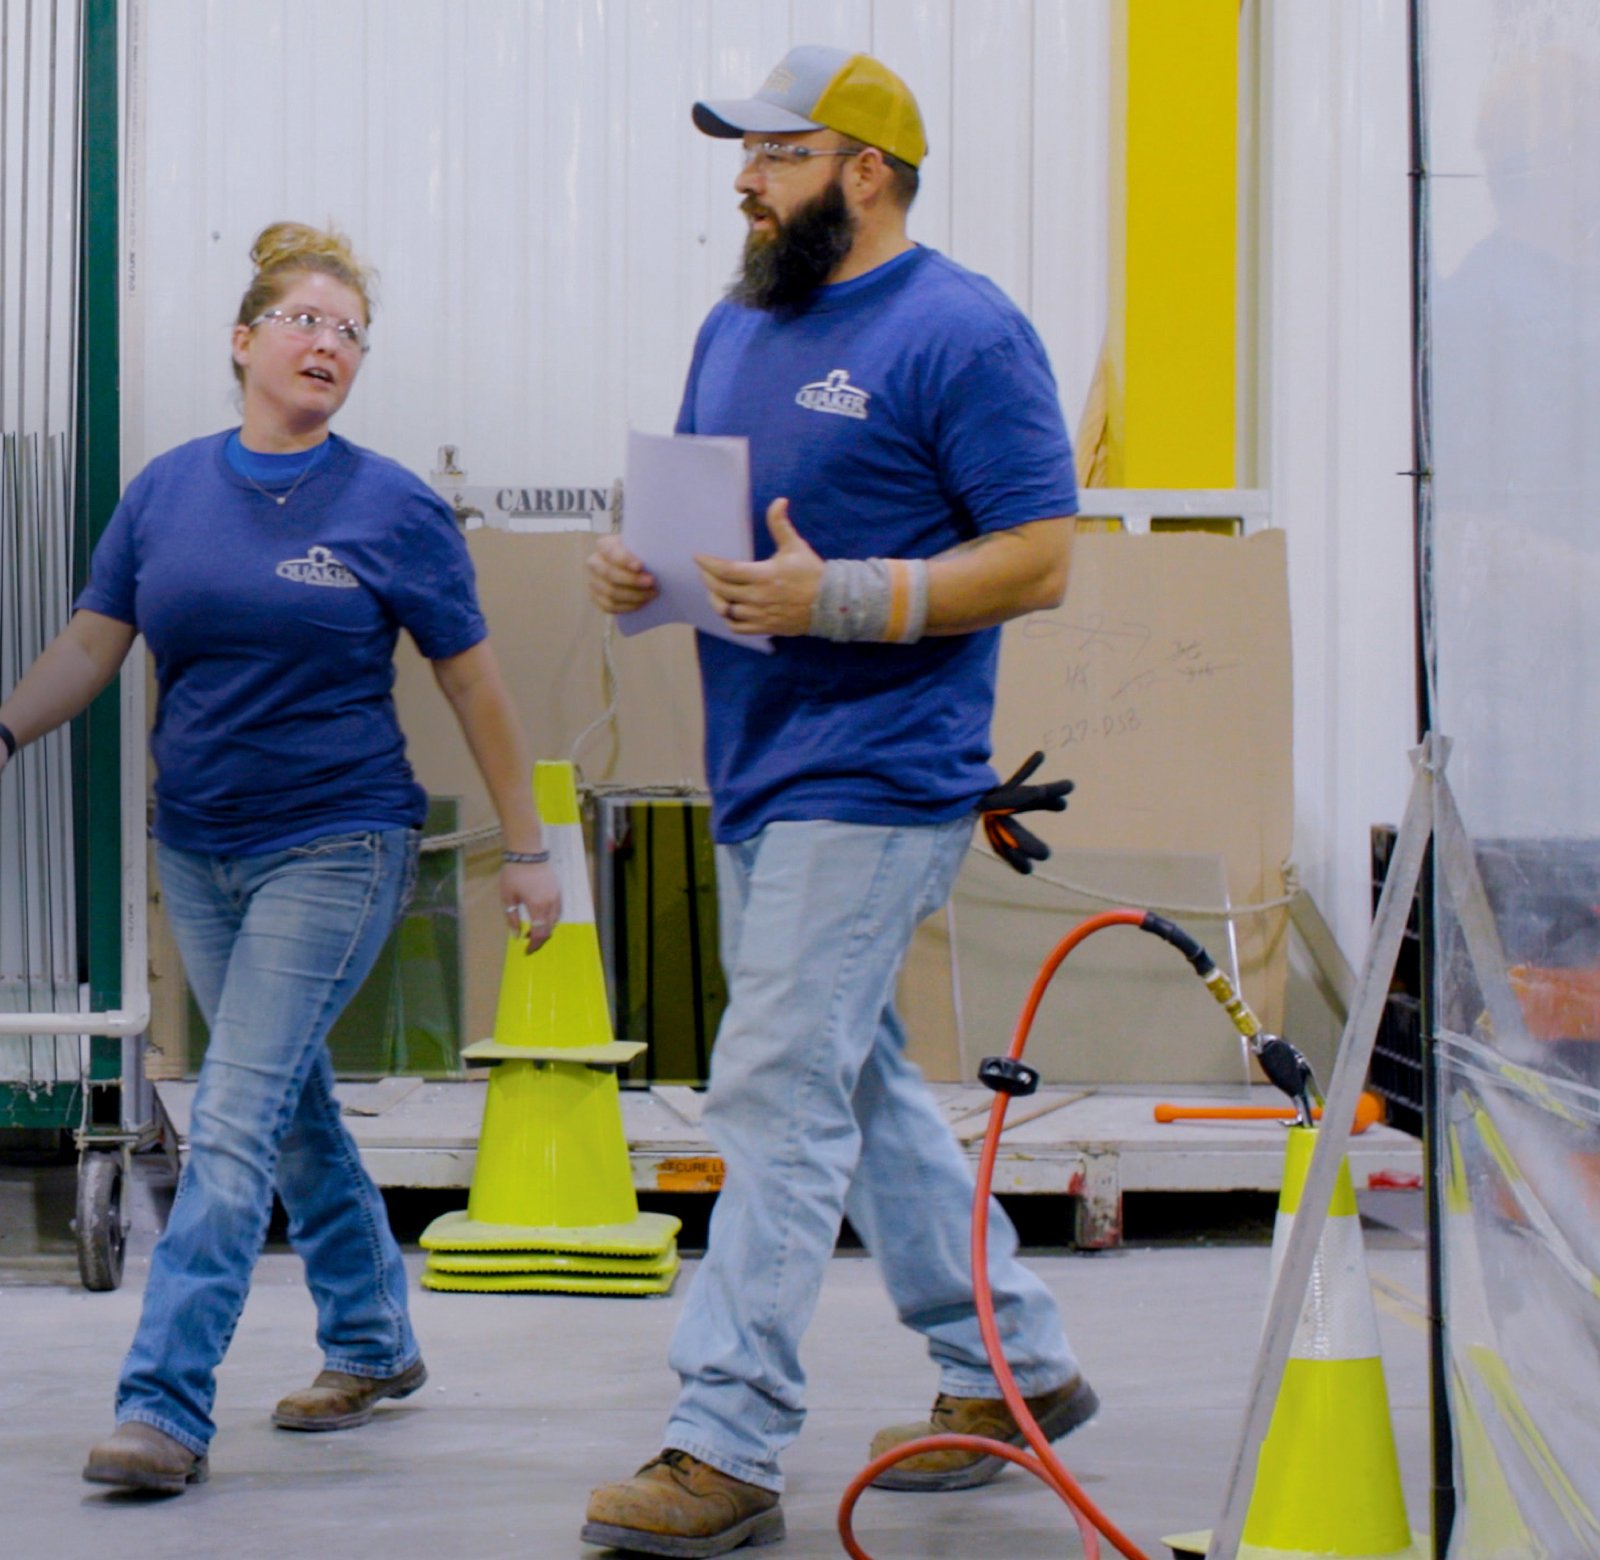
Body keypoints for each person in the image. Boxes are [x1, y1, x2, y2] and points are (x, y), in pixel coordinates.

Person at [0, 221, 560, 1493]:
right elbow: (94, 645)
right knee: (287, 1107)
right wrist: (4, 726)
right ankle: (376, 1340)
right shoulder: (168, 491)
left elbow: (475, 683)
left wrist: (532, 850)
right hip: (200, 851)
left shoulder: (392, 506)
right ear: (243, 342)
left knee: (227, 1122)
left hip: (340, 842)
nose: (328, 343)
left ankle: (164, 1407)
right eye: (305, 322)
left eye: (348, 332)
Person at [573, 47, 1095, 1558]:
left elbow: (1041, 556)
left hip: (880, 768)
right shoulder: (738, 324)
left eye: (775, 156)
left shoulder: (964, 330)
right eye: (743, 157)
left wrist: (847, 597)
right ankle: (1015, 1364)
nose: (743, 181)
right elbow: (709, 524)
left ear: (864, 168)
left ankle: (724, 1438)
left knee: (779, 1091)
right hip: (764, 758)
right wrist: (639, 566)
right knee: (854, 1084)